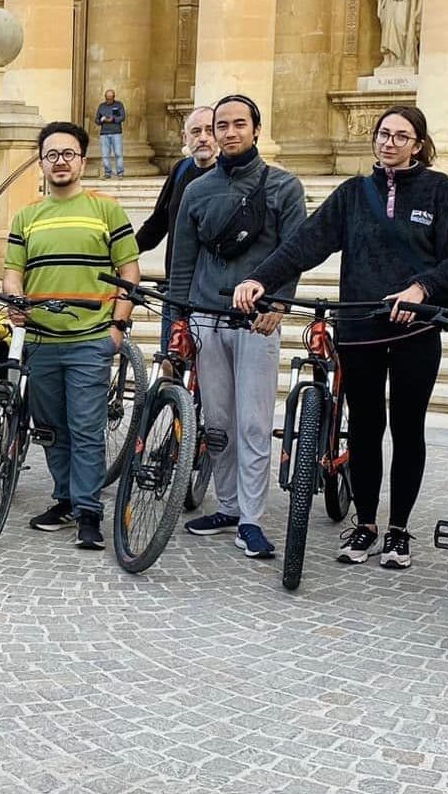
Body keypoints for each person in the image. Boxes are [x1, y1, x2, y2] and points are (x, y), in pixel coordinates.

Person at [233, 106, 448, 569]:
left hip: (417, 329)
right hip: (361, 329)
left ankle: (399, 529)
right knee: (366, 428)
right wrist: (261, 280)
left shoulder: (439, 190)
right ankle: (366, 523)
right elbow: (305, 244)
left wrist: (421, 287)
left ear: (419, 144)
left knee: (408, 429)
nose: (390, 143)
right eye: (383, 134)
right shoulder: (353, 194)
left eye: (401, 136)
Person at [166, 94, 307, 559]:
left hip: (256, 322)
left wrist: (280, 303)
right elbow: (182, 261)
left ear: (256, 129)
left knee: (252, 421)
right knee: (219, 422)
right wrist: (177, 321)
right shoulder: (196, 190)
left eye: (238, 124)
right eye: (221, 125)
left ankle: (252, 517)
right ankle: (227, 504)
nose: (228, 132)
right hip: (208, 316)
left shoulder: (284, 187)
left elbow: (294, 252)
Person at [4, 121, 140, 550]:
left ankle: (88, 511)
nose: (59, 162)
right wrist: (14, 300)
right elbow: (13, 273)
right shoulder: (26, 216)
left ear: (82, 160)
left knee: (85, 427)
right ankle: (63, 498)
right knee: (50, 427)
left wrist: (118, 326)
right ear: (40, 162)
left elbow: (129, 272)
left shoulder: (106, 211)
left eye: (68, 154)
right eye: (51, 155)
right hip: (42, 340)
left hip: (89, 338)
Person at [136, 105, 217, 353]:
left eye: (210, 130)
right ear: (185, 138)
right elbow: (159, 222)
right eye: (195, 131)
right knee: (169, 360)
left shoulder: (229, 175)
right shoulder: (180, 170)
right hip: (176, 287)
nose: (202, 137)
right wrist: (123, 252)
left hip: (211, 291)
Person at [95, 89, 127, 180]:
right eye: (107, 98)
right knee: (105, 155)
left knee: (118, 154)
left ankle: (120, 173)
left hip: (116, 132)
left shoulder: (118, 105)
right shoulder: (101, 106)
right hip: (104, 133)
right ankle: (107, 173)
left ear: (114, 97)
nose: (108, 99)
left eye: (110, 98)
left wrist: (112, 119)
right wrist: (102, 120)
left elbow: (122, 117)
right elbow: (96, 120)